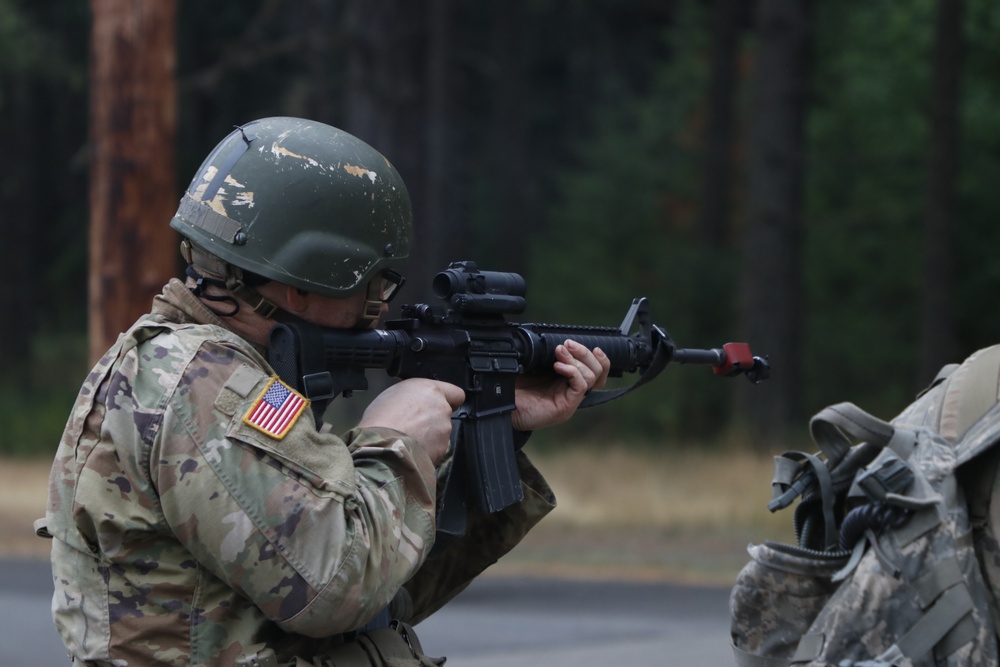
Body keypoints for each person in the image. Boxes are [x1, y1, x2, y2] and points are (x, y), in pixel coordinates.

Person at [41, 117, 611, 666]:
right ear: (305, 278)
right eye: (372, 280)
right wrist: (395, 440)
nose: (381, 306)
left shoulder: (205, 372)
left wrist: (499, 425)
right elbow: (336, 591)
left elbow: (387, 596)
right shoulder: (206, 385)